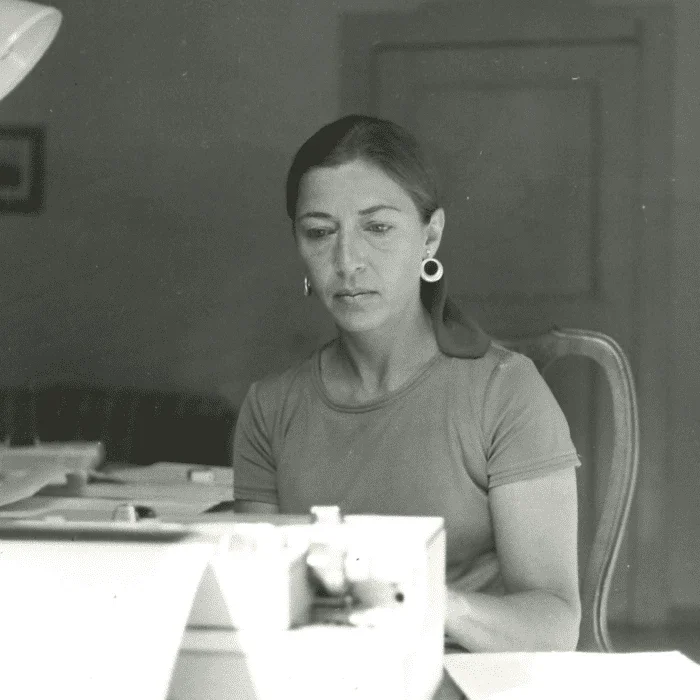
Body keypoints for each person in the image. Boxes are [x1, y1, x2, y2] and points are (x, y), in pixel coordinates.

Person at [232, 114, 581, 656]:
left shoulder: (505, 392)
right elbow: (260, 612)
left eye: (377, 227)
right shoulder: (269, 408)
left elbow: (555, 623)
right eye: (320, 233)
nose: (347, 262)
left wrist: (425, 599)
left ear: (430, 236)